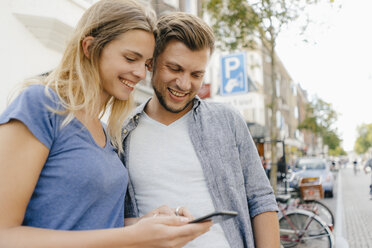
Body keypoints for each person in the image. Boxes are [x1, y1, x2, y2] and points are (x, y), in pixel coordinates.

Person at [0, 1, 211, 247]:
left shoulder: (106, 132)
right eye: (130, 58)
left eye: (146, 64)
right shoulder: (41, 105)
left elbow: (93, 226)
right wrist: (132, 236)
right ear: (89, 47)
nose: (141, 74)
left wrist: (147, 225)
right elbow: (5, 235)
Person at [122, 12, 280, 248]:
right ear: (151, 63)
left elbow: (260, 199)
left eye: (196, 74)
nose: (184, 84)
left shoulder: (228, 121)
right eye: (175, 69)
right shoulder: (122, 132)